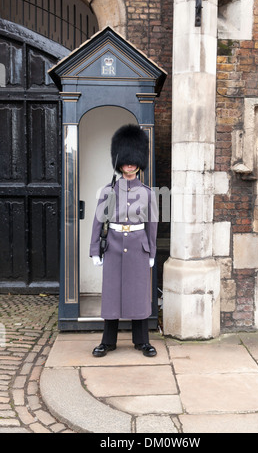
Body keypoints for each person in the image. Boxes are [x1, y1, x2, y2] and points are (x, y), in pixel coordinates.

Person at [89, 124, 158, 357]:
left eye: (133, 160)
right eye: (126, 160)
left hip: (138, 247)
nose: (129, 164)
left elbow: (152, 226)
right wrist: (95, 251)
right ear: (119, 162)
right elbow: (98, 222)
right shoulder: (108, 191)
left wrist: (152, 253)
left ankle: (142, 341)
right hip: (114, 246)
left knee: (139, 294)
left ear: (139, 161)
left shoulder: (148, 193)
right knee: (111, 294)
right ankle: (108, 341)